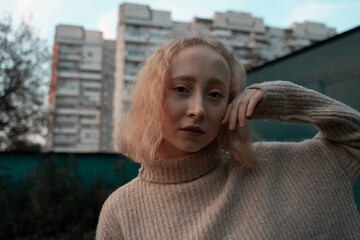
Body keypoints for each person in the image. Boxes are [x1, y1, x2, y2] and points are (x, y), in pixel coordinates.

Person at [96, 36, 360, 239]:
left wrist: (278, 98)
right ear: (151, 99)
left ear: (230, 105)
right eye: (181, 89)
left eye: (214, 95)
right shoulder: (122, 210)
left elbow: (354, 140)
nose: (198, 110)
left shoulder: (274, 166)